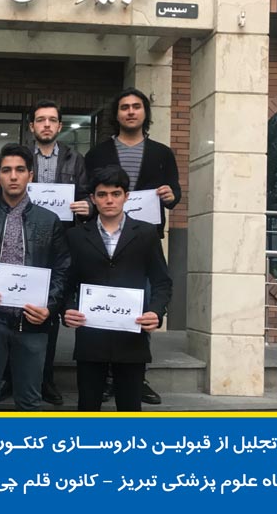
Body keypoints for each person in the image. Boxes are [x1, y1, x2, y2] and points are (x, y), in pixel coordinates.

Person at [84, 87, 181, 405]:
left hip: (143, 241)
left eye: (136, 106)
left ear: (145, 113)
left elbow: (175, 192)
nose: (130, 111)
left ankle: (135, 377)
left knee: (142, 307)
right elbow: (87, 192)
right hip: (104, 241)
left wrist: (171, 196)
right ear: (116, 114)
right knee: (103, 306)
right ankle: (105, 376)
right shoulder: (97, 153)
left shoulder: (162, 152)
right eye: (124, 106)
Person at [0, 143, 70, 411]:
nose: (13, 176)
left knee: (30, 402)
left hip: (32, 320)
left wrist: (49, 306)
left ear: (30, 175)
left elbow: (63, 269)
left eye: (20, 170)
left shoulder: (49, 220)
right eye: (6, 170)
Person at [64, 166, 172, 411]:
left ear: (127, 196)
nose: (109, 200)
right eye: (102, 194)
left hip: (131, 335)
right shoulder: (76, 236)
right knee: (87, 407)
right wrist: (67, 309)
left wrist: (156, 312)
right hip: (91, 335)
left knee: (130, 408)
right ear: (92, 198)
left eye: (116, 193)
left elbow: (162, 281)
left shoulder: (146, 234)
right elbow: (66, 282)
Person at [28, 99, 90, 405]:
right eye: (41, 120)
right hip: (24, 243)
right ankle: (13, 377)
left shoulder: (75, 159)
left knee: (48, 314)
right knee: (18, 309)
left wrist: (87, 206)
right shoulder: (21, 157)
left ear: (59, 126)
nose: (46, 125)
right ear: (32, 126)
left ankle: (45, 378)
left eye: (52, 120)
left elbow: (87, 196)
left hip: (59, 244)